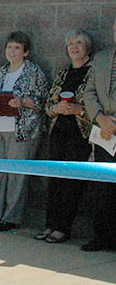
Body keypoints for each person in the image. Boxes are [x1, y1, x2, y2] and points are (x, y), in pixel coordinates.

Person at [0, 32, 49, 231]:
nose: (12, 51)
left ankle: (11, 218)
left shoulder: (33, 72)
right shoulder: (0, 72)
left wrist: (23, 102)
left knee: (16, 175)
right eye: (9, 47)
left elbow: (44, 102)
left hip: (22, 131)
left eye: (17, 48)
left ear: (25, 52)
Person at [34, 29, 94, 243]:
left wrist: (79, 110)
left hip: (80, 135)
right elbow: (48, 105)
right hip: (59, 133)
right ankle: (50, 225)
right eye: (70, 44)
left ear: (87, 47)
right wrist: (58, 108)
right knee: (55, 180)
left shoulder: (93, 72)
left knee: (71, 183)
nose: (74, 47)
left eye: (79, 43)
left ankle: (63, 228)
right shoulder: (63, 73)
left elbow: (97, 105)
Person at [80, 17, 116, 252]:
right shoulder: (102, 58)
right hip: (104, 134)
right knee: (102, 189)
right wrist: (102, 119)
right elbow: (89, 92)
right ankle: (102, 237)